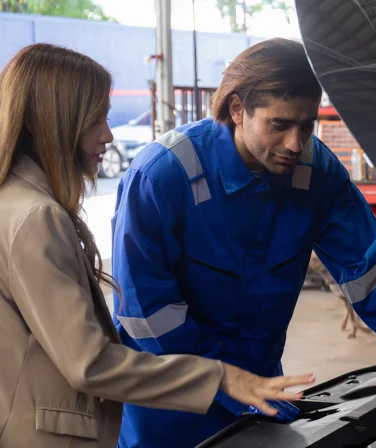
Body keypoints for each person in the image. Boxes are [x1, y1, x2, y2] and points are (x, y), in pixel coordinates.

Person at [111, 37, 376, 447]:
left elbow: (372, 270)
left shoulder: (314, 169)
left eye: (306, 126)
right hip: (170, 408)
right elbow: (147, 313)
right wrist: (225, 383)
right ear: (237, 109)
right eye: (280, 125)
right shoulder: (163, 176)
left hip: (261, 395)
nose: (295, 144)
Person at [0, 44, 315, 448]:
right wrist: (221, 377)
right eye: (95, 120)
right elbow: (89, 362)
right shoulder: (36, 217)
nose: (108, 136)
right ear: (49, 122)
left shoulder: (13, 203)